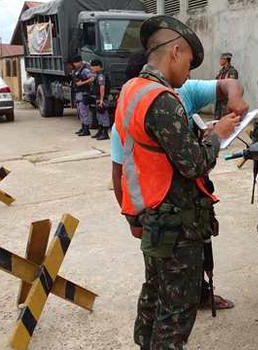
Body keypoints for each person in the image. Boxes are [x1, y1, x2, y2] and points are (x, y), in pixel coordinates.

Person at [113, 15, 239, 349]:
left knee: (154, 296)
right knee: (175, 315)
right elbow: (193, 164)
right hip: (177, 227)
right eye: (188, 63)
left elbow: (146, 154)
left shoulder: (131, 91)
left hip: (154, 217)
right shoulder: (162, 100)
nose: (188, 74)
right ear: (175, 52)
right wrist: (217, 135)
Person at [70, 55, 94, 136]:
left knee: (84, 112)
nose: (75, 64)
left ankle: (86, 129)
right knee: (80, 112)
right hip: (78, 93)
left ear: (80, 62)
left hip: (84, 93)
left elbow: (92, 78)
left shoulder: (85, 70)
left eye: (76, 63)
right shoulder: (77, 70)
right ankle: (83, 127)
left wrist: (82, 83)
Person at [89, 59, 110, 140]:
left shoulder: (101, 75)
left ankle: (105, 133)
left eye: (93, 67)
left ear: (98, 66)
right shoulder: (98, 75)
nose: (91, 68)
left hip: (102, 98)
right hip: (98, 97)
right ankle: (100, 131)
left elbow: (102, 87)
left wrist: (101, 100)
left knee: (103, 114)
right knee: (99, 115)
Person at [214, 52, 239, 119]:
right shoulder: (221, 71)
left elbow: (232, 85)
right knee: (217, 118)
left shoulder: (232, 71)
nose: (220, 61)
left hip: (226, 99)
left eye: (221, 59)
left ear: (226, 60)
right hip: (219, 97)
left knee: (225, 117)